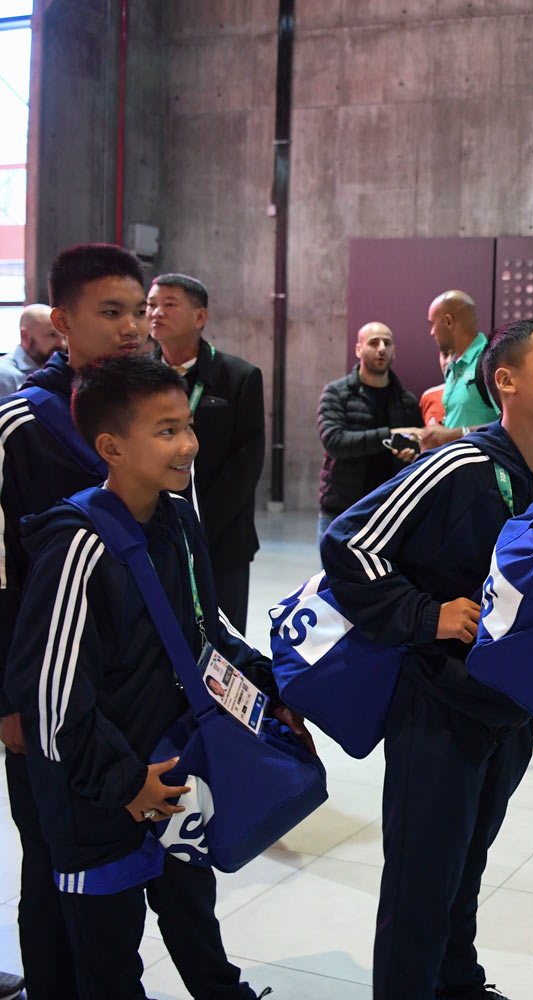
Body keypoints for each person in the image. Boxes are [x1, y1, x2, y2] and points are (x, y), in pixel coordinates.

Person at [5, 354, 305, 999]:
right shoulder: (78, 545)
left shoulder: (177, 519)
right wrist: (124, 784)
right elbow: (51, 704)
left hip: (173, 771)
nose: (189, 444)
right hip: (101, 800)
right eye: (167, 431)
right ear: (111, 446)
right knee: (109, 956)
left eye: (189, 426)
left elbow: (205, 630)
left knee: (193, 909)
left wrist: (266, 694)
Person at [321, 317, 533, 1000]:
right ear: (506, 381)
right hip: (436, 709)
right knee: (421, 878)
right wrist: (424, 615)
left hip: (502, 716)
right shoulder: (461, 463)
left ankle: (457, 983)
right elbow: (350, 541)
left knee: (465, 864)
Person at [0, 243, 154, 1000]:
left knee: (115, 868)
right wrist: (6, 702)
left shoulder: (147, 413)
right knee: (51, 858)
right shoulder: (23, 426)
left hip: (127, 687)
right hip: (46, 692)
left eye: (139, 311)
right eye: (111, 312)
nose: (132, 327)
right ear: (62, 321)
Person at [147, 274, 265, 632]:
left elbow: (246, 463)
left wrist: (196, 527)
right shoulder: (138, 379)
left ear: (199, 317)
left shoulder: (238, 377)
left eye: (169, 304)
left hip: (221, 537)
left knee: (221, 636)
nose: (156, 313)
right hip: (152, 531)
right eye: (151, 304)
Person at [316, 321, 424, 536]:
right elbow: (336, 442)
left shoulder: (406, 401)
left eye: (387, 343)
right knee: (334, 572)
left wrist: (411, 451)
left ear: (394, 352)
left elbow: (419, 449)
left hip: (388, 513)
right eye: (374, 342)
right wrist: (389, 435)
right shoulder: (336, 393)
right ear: (359, 349)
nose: (381, 348)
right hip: (341, 511)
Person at [415, 290, 499, 451]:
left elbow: (514, 425)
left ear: (448, 321)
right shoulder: (453, 368)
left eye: (433, 324)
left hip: (485, 472)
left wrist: (455, 434)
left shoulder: (490, 361)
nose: (431, 332)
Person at [0, 304, 62, 396]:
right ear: (25, 336)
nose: (61, 344)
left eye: (64, 337)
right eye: (52, 335)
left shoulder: (59, 371)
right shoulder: (4, 374)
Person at [420, 348, 455, 427]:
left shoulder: (478, 392)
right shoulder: (428, 396)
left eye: (455, 355)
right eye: (445, 355)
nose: (449, 361)